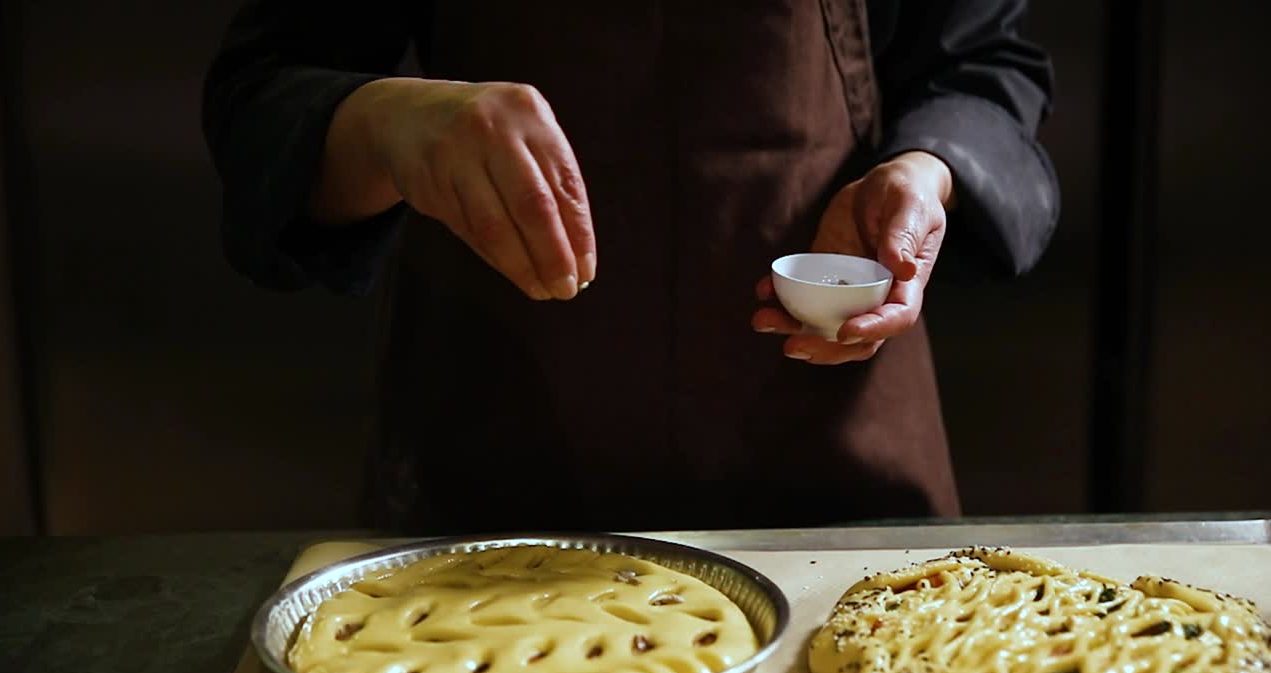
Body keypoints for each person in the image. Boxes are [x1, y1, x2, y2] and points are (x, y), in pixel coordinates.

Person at [202, 1, 1059, 534]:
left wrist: (926, 170)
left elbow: (983, 65)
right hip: (493, 484)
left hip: (839, 479)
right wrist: (385, 125)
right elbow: (260, 101)